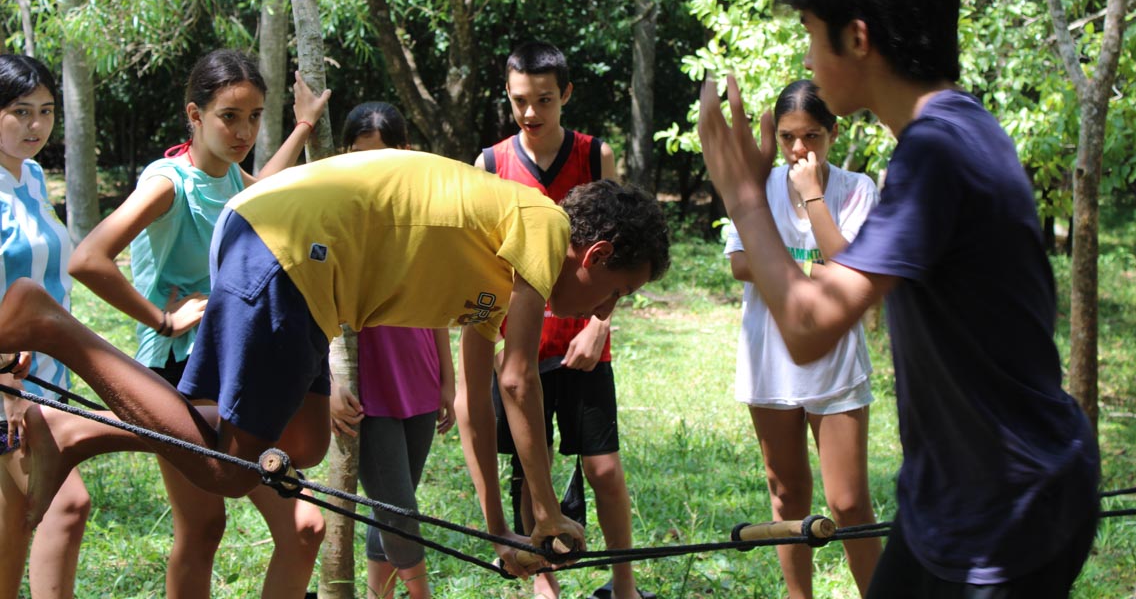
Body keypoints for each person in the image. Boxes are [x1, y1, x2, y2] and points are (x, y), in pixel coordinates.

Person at [0, 147, 670, 581]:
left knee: (303, 443)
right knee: (229, 466)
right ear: (596, 254)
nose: (604, 307)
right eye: (617, 291)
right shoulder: (542, 229)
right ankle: (53, 326)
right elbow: (519, 380)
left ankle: (81, 432)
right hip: (293, 248)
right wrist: (547, 512)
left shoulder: (506, 266)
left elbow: (476, 399)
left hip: (306, 265)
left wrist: (500, 526)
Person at [696, 0, 1099, 598]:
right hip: (951, 496)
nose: (808, 61)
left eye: (811, 36)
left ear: (858, 38)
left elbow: (807, 323)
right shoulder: (955, 132)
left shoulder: (939, 150)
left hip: (1010, 510)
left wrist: (744, 198)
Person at [67, 50, 329, 599]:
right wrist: (161, 319)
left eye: (255, 116)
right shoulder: (169, 184)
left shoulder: (233, 174)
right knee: (204, 528)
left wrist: (303, 123)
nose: (244, 131)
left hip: (235, 367)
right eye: (229, 116)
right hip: (180, 373)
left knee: (305, 528)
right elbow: (88, 259)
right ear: (195, 114)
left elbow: (260, 189)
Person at [474, 41, 650, 599]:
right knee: (533, 466)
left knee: (602, 468)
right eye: (521, 100)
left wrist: (601, 325)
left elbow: (619, 248)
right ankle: (543, 586)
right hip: (520, 344)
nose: (531, 113)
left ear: (565, 95)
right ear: (508, 95)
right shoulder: (490, 163)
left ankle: (623, 584)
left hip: (583, 341)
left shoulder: (595, 155)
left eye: (544, 100)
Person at [725, 79, 880, 598]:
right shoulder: (757, 184)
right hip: (770, 356)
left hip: (836, 361)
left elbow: (850, 268)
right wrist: (812, 268)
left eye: (811, 135)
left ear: (834, 132)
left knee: (849, 501)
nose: (798, 149)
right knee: (787, 496)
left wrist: (813, 196)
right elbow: (740, 263)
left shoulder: (858, 189)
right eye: (789, 136)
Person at [328, 102, 455, 599]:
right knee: (399, 509)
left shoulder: (427, 216)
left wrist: (449, 378)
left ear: (404, 153)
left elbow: (438, 306)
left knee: (391, 507)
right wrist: (333, 382)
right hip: (367, 389)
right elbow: (316, 307)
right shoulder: (335, 217)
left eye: (382, 156)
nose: (372, 168)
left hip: (420, 380)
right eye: (360, 157)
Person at [0, 54, 90, 599]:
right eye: (19, 112)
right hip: (9, 385)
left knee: (15, 526)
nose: (36, 126)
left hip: (49, 378)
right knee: (65, 503)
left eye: (46, 111)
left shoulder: (32, 177)